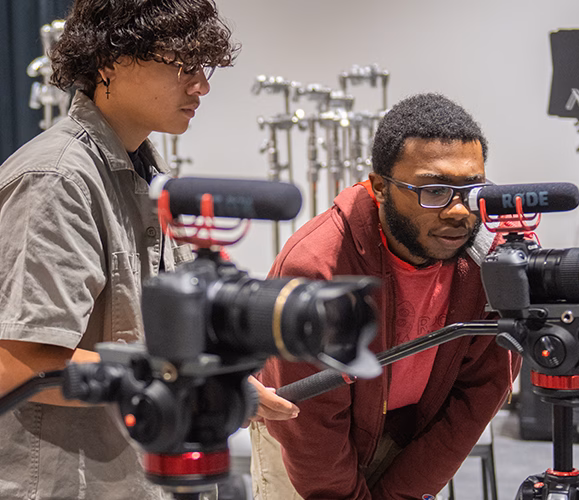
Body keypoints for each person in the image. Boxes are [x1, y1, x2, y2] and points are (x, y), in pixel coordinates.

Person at [0, 1, 245, 498]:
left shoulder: (148, 176)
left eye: (204, 68)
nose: (201, 86)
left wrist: (218, 381)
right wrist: (176, 380)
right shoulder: (58, 178)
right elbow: (19, 363)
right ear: (111, 62)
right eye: (184, 66)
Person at [250, 93, 521, 500]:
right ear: (380, 187)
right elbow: (313, 422)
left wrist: (402, 492)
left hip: (409, 435)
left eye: (471, 189)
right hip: (305, 446)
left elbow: (479, 393)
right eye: (434, 191)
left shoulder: (489, 261)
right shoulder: (318, 268)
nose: (458, 212)